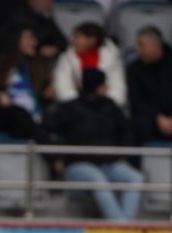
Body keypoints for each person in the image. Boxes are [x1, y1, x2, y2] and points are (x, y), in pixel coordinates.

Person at [49, 68, 145, 221]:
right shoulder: (70, 108)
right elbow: (44, 131)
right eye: (103, 85)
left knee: (135, 178)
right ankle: (122, 228)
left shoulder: (111, 107)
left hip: (108, 164)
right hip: (78, 165)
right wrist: (55, 159)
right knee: (98, 179)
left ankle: (125, 225)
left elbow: (127, 132)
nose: (107, 88)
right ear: (95, 87)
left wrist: (123, 155)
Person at [126, 26, 172, 146]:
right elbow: (136, 101)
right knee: (140, 125)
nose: (137, 50)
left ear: (156, 46)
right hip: (150, 117)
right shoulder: (134, 69)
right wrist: (158, 117)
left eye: (141, 45)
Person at [53, 22, 128, 108]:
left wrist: (104, 101)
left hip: (106, 109)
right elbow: (63, 88)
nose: (73, 41)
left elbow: (118, 89)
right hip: (75, 110)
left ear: (92, 40)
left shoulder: (112, 57)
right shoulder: (66, 59)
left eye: (78, 37)